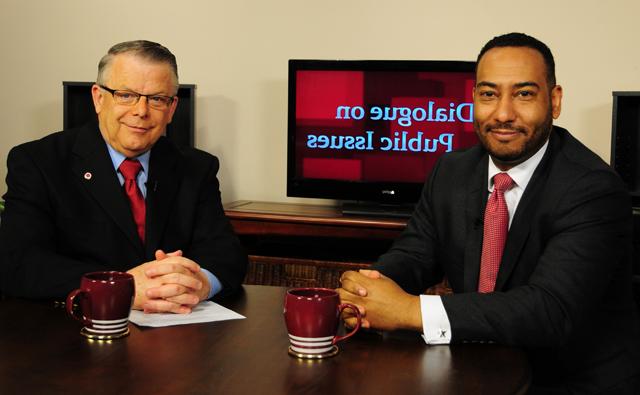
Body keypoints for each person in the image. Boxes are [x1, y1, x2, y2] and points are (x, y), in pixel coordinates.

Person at [338, 33, 640, 393]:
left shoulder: (594, 189)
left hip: (568, 382)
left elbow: (549, 310)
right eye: (489, 94)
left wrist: (408, 311)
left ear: (555, 101)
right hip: (475, 371)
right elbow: (416, 253)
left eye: (524, 93)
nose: (503, 114)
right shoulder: (451, 169)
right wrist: (367, 292)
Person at [0, 40, 247, 314]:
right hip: (72, 332)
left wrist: (200, 283)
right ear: (98, 98)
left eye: (156, 99)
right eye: (126, 95)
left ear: (172, 108)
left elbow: (227, 255)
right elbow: (19, 263)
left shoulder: (196, 168)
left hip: (174, 335)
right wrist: (122, 286)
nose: (141, 111)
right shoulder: (39, 162)